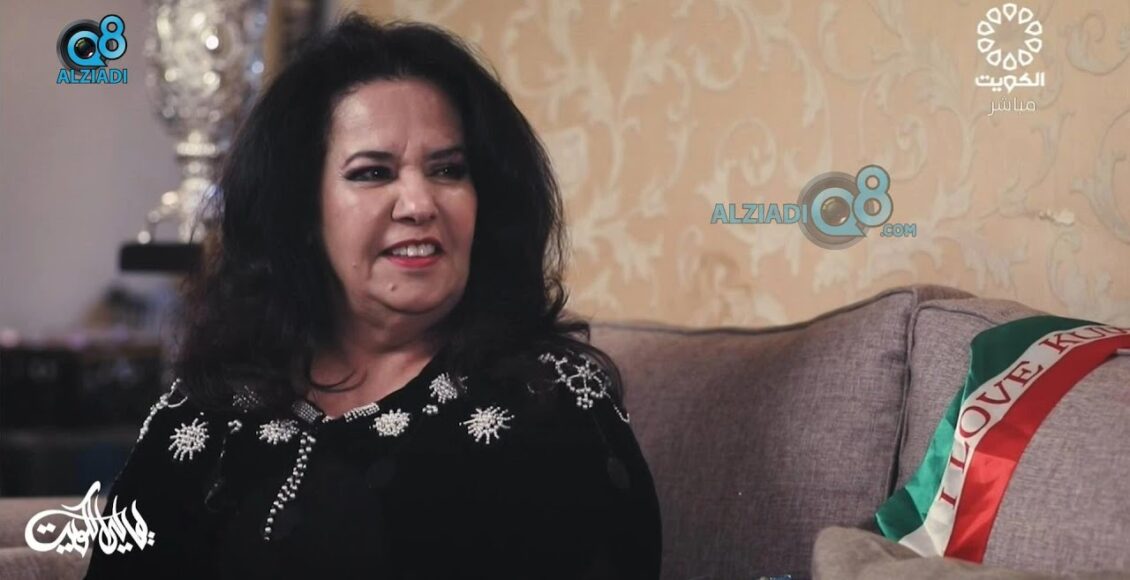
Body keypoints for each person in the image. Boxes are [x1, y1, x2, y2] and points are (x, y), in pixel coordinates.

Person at [84, 13, 661, 580]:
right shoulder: (212, 402)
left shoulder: (550, 402)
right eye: (372, 173)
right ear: (302, 210)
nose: (419, 204)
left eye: (448, 170)